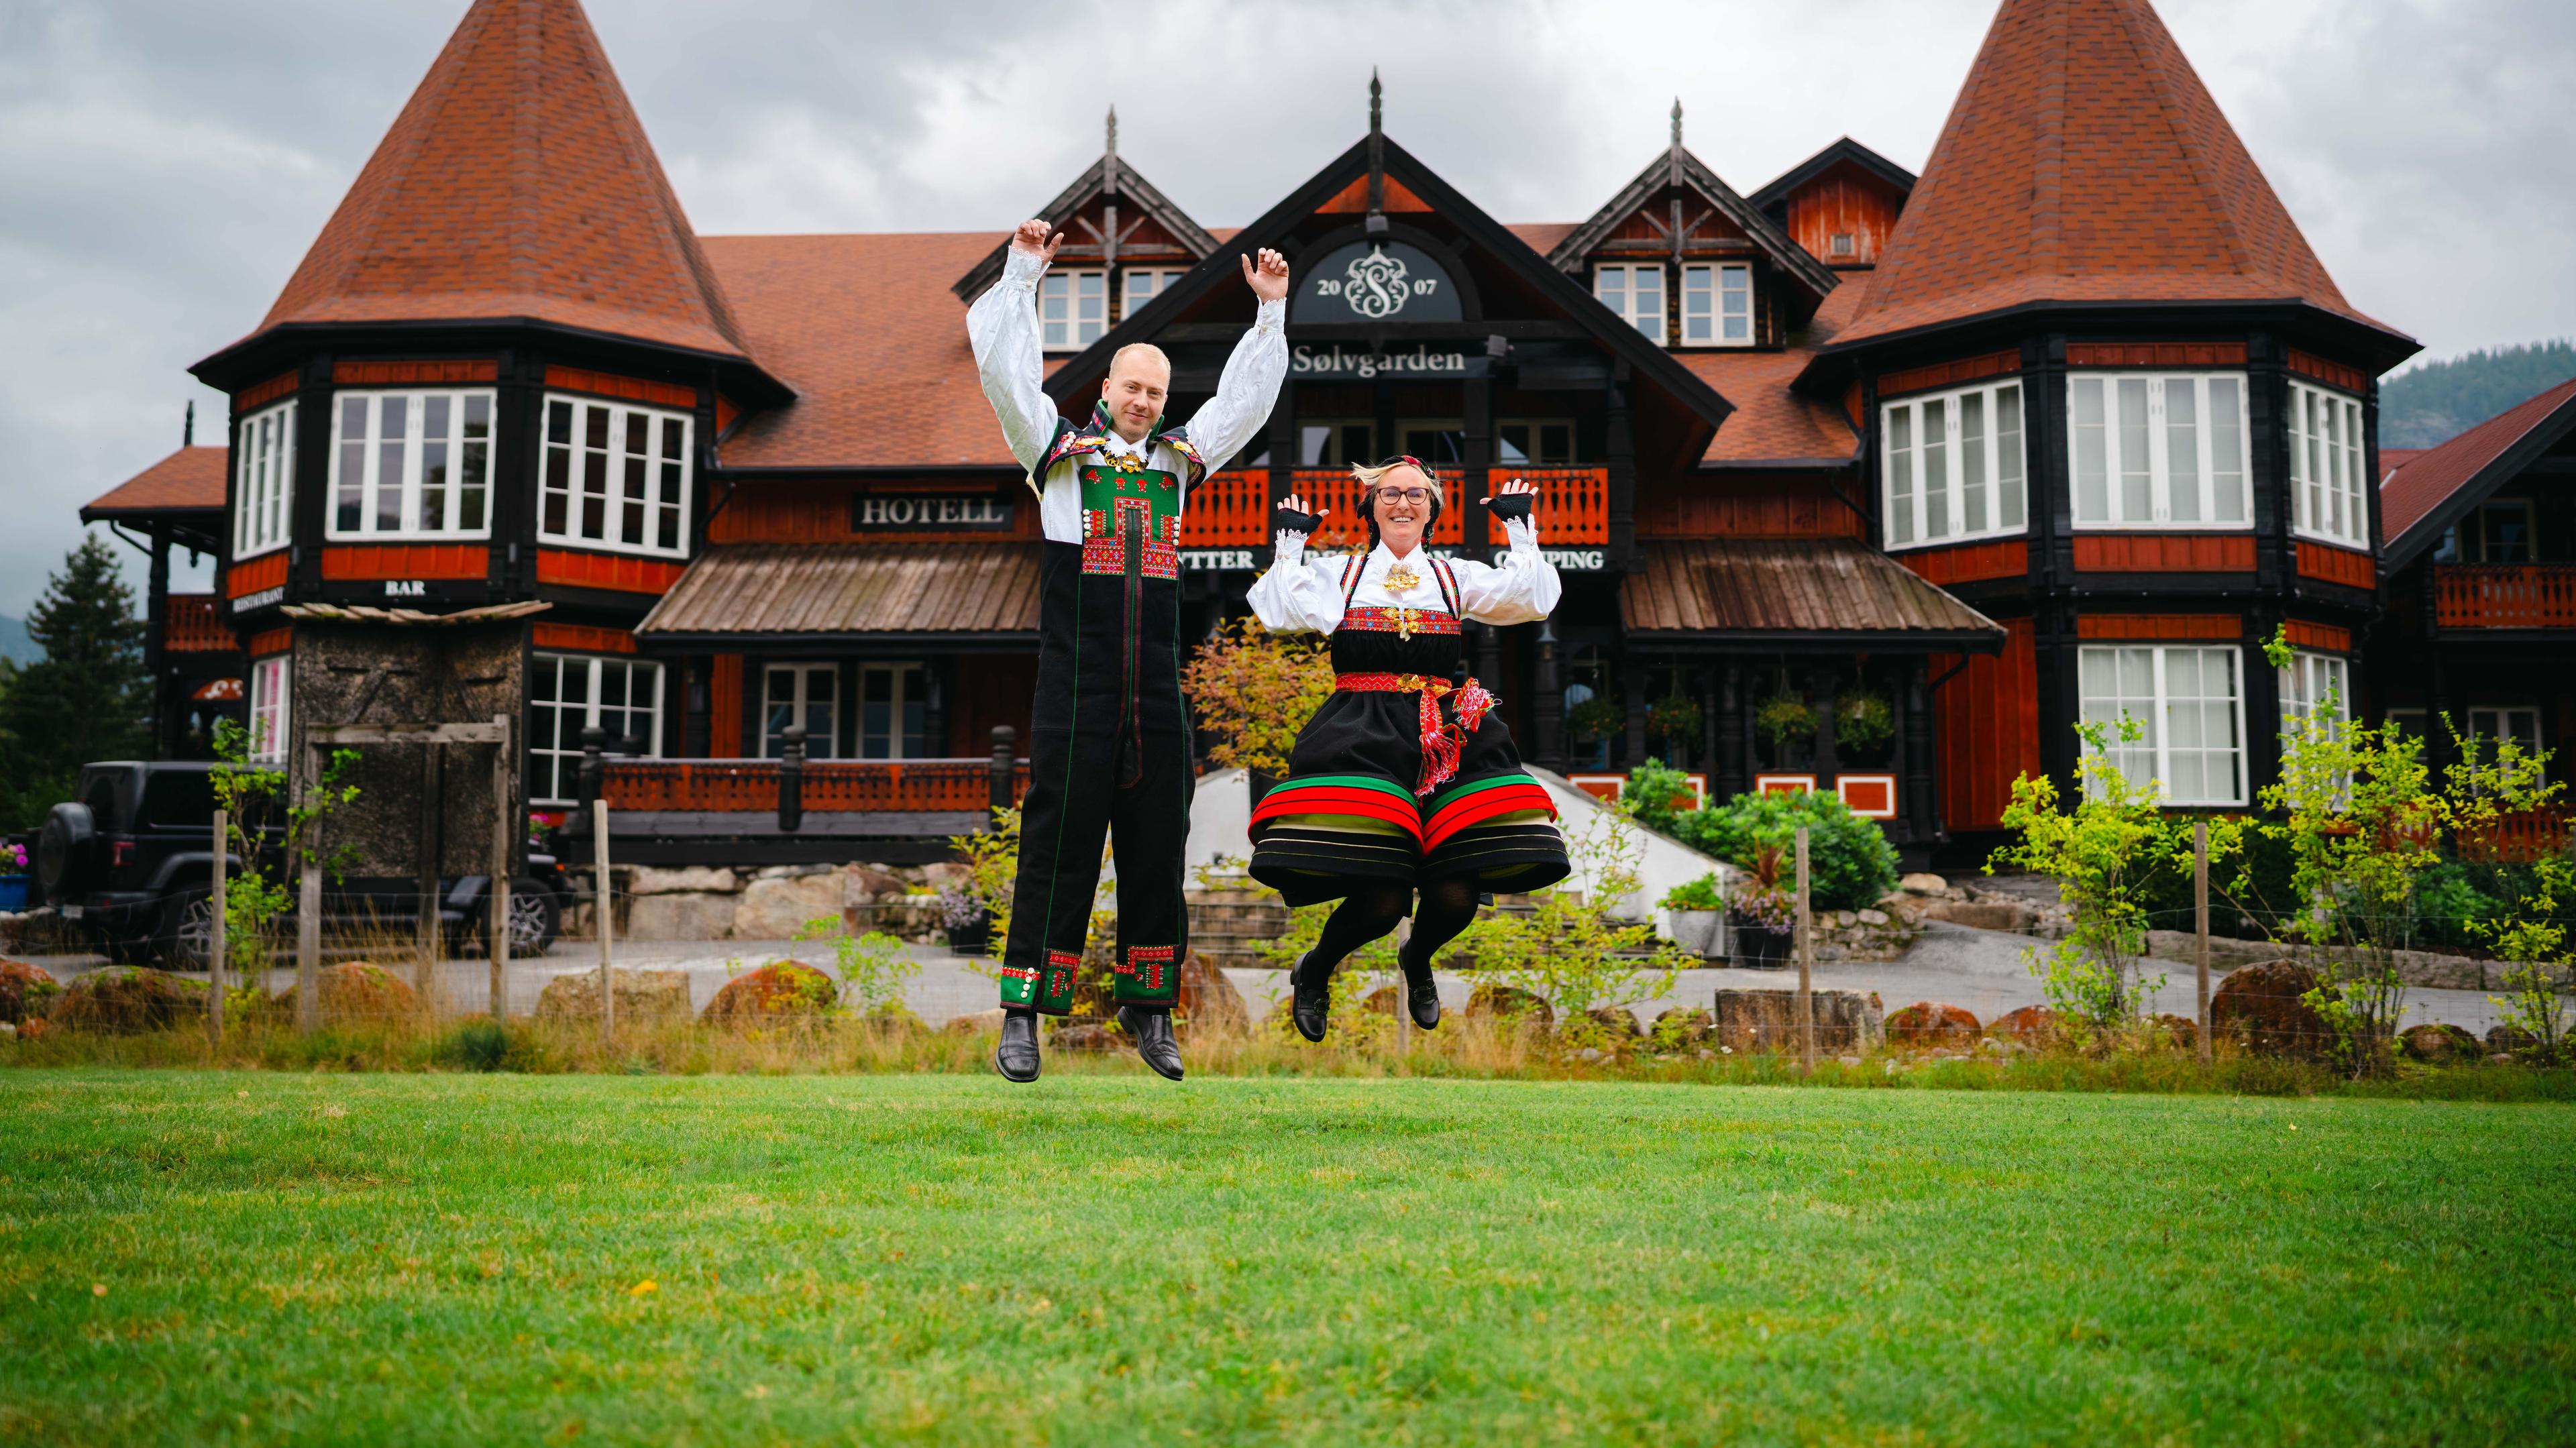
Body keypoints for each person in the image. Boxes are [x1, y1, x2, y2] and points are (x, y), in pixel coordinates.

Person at [968, 219, 1291, 1083]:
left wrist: (1268, 315)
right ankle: (1025, 1015)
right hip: (1075, 692)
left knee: (1158, 844)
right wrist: (1025, 271)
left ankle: (1150, 1010)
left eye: (1157, 391)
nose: (1145, 401)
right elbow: (1005, 375)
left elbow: (1243, 408)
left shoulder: (1179, 465)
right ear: (1105, 387)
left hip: (1155, 692)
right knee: (1058, 846)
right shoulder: (1057, 456)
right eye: (1132, 387)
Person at [1244, 459, 1568, 1040]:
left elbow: (1532, 599)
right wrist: (1289, 545)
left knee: (1457, 892)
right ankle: (1316, 968)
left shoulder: (1451, 576)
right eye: (1389, 492)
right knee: (1384, 896)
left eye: (1417, 494)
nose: (1403, 502)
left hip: (1446, 734)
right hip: (1362, 734)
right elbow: (1277, 610)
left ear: (1434, 509)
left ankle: (1418, 960)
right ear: (1368, 507)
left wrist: (1521, 531)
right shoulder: (1340, 574)